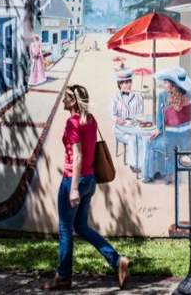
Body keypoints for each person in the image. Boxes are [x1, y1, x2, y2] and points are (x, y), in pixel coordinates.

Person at [42, 84, 129, 291]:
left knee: (65, 229)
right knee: (81, 227)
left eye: (66, 98)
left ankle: (63, 277)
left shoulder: (73, 123)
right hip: (89, 180)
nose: (63, 101)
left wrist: (72, 189)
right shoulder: (90, 120)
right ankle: (117, 261)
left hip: (75, 180)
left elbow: (78, 156)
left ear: (72, 101)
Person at [143, 66, 191, 184]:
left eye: (165, 82)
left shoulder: (163, 96)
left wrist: (157, 130)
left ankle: (150, 175)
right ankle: (166, 171)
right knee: (163, 140)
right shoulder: (189, 95)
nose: (163, 84)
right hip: (187, 139)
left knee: (150, 143)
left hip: (170, 139)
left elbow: (161, 121)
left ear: (172, 84)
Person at [109, 69, 144, 172]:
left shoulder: (138, 97)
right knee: (133, 139)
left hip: (134, 127)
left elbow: (141, 114)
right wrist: (117, 120)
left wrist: (137, 121)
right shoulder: (114, 97)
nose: (126, 85)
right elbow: (112, 114)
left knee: (142, 139)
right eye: (123, 83)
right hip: (120, 130)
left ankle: (142, 163)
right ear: (119, 84)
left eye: (128, 82)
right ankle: (134, 164)